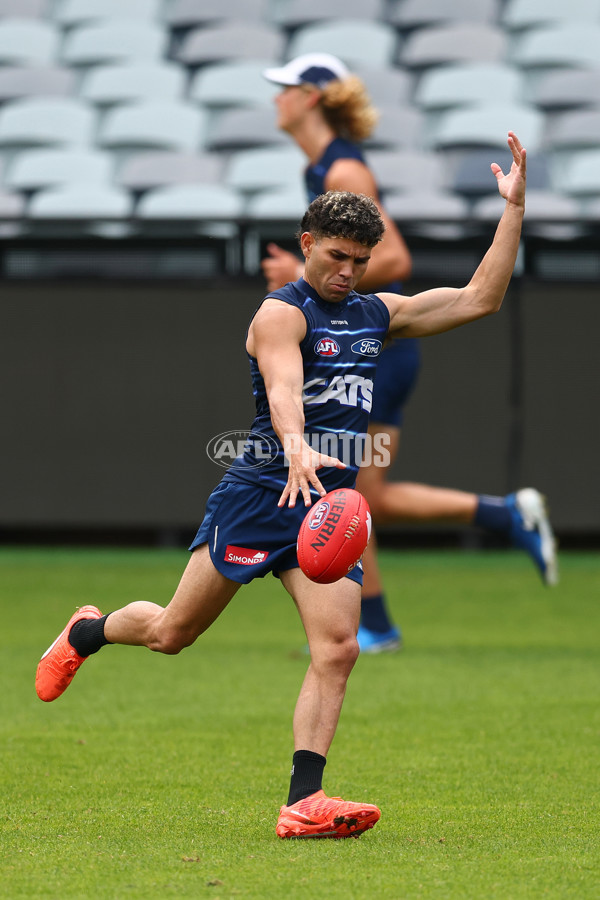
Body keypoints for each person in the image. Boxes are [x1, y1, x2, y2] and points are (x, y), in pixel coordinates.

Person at [37, 137, 528, 838]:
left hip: (326, 511)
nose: (348, 273)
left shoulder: (374, 314)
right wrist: (297, 448)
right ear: (308, 243)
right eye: (337, 256)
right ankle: (87, 631)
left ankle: (304, 801)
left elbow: (482, 297)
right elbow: (283, 385)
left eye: (360, 261)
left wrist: (512, 209)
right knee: (174, 632)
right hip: (262, 493)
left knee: (339, 647)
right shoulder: (281, 312)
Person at [261, 54, 558, 654]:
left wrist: (300, 272)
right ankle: (500, 519)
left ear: (313, 97)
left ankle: (375, 622)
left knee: (351, 489)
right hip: (357, 342)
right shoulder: (324, 164)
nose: (277, 99)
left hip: (372, 348)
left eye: (286, 88)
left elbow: (389, 260)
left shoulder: (343, 168)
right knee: (366, 491)